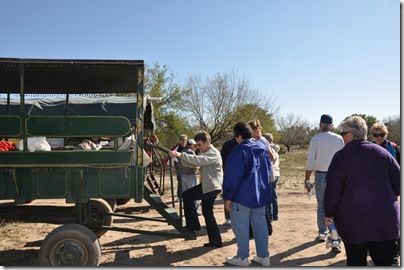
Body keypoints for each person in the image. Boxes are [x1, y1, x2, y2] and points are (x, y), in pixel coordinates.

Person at [324, 116, 400, 266]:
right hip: (385, 222)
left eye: (343, 134)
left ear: (351, 135)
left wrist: (329, 212)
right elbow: (398, 184)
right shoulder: (384, 154)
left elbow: (333, 191)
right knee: (385, 263)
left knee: (356, 262)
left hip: (354, 223)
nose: (342, 138)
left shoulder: (341, 157)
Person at [223, 122, 272, 267]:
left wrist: (228, 197)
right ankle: (264, 256)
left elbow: (232, 177)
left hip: (241, 197)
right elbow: (268, 172)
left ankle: (242, 257)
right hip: (259, 196)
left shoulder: (238, 152)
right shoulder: (263, 149)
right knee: (260, 224)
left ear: (238, 136)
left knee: (241, 226)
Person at [169, 131, 223, 248]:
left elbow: (197, 161)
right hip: (209, 186)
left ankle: (193, 225)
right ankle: (216, 240)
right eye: (197, 145)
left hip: (211, 187)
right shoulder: (206, 153)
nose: (198, 147)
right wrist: (178, 158)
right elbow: (194, 163)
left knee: (187, 195)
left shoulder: (212, 153)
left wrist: (180, 155)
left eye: (199, 145)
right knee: (207, 213)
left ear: (207, 142)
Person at [305, 114, 344, 244]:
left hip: (321, 175)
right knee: (336, 206)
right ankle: (335, 236)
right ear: (332, 125)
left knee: (321, 206)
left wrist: (307, 179)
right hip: (336, 175)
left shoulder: (316, 139)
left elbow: (311, 160)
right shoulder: (339, 139)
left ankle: (322, 232)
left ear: (320, 124)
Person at [220, 137, 238, 226]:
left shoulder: (227, 144)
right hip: (231, 173)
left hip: (227, 173)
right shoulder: (229, 144)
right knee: (229, 195)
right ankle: (229, 217)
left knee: (228, 195)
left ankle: (229, 218)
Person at [263, 133, 281, 222]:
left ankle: (270, 215)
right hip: (277, 173)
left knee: (269, 196)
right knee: (273, 195)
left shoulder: (268, 148)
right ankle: (275, 215)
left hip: (271, 174)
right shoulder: (275, 148)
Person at [179, 139, 200, 214]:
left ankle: (187, 211)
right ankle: (195, 210)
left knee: (185, 194)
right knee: (194, 193)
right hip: (190, 175)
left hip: (182, 175)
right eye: (194, 145)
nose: (195, 147)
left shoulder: (182, 152)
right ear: (191, 145)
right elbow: (195, 164)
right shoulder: (190, 152)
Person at [166, 134, 188, 201]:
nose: (184, 141)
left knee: (187, 181)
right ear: (180, 140)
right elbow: (170, 155)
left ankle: (186, 196)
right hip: (179, 166)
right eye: (183, 140)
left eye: (185, 140)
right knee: (180, 181)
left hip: (187, 167)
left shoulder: (188, 147)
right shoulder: (176, 148)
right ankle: (179, 196)